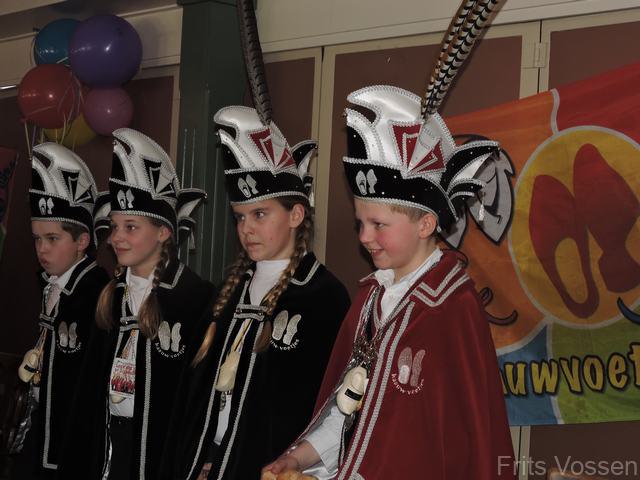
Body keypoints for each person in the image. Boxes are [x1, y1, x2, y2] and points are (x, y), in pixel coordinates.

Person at [263, 85, 516, 479]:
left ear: (425, 224)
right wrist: (300, 458)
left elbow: (460, 440)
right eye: (360, 223)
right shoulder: (370, 297)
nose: (365, 237)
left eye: (378, 224)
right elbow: (349, 410)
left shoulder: (451, 308)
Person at [161, 106, 350, 480]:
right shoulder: (228, 293)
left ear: (296, 215)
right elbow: (196, 396)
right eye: (240, 217)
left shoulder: (323, 297)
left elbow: (328, 407)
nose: (246, 228)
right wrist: (201, 457)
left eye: (260, 214)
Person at [57, 128, 214, 480]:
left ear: (163, 232)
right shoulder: (110, 297)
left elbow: (199, 393)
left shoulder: (194, 297)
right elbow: (88, 392)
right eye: (114, 227)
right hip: (111, 449)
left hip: (162, 455)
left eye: (130, 227)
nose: (116, 238)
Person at [12, 143, 109, 479]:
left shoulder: (97, 293)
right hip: (41, 424)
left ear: (82, 241)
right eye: (37, 239)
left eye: (52, 239)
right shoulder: (51, 284)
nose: (42, 249)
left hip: (72, 441)